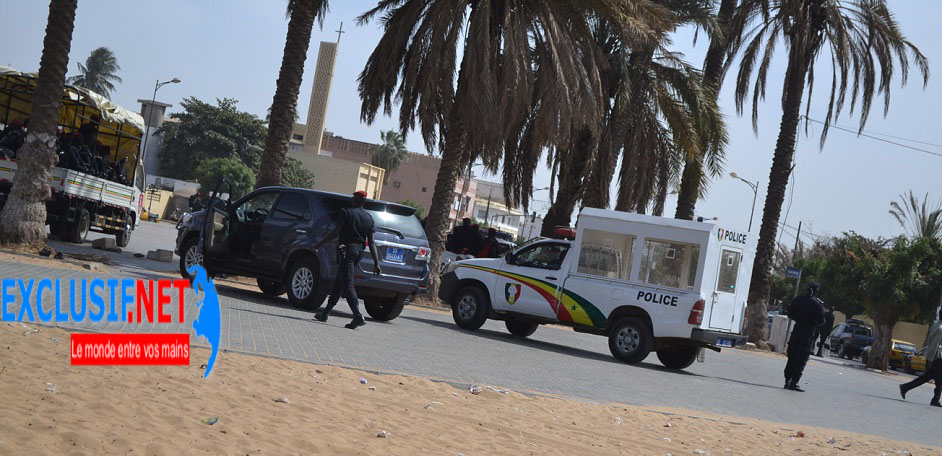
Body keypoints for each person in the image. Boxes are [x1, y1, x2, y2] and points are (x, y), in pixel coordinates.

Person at [313, 190, 382, 329]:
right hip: (359, 253)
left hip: (347, 252)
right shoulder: (369, 218)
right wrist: (376, 263)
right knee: (340, 281)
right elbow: (372, 242)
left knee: (348, 283)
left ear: (355, 200)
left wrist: (320, 243)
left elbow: (336, 232)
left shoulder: (346, 212)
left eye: (353, 197)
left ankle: (357, 316)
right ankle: (325, 313)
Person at [784, 282, 825, 392]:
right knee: (801, 359)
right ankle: (794, 382)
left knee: (791, 357)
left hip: (796, 332)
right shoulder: (817, 304)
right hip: (807, 334)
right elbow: (821, 321)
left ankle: (787, 381)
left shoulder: (797, 300)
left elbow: (790, 314)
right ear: (816, 291)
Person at [899, 308, 942, 407]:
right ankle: (935, 400)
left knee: (935, 379)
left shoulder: (936, 325)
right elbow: (934, 346)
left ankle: (906, 388)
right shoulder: (940, 329)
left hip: (937, 358)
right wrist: (929, 360)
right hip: (938, 358)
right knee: (934, 378)